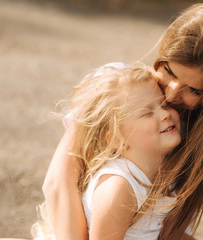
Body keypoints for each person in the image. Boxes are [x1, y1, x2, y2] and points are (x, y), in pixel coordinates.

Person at [43, 3, 203, 240]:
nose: (172, 95)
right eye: (169, 72)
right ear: (162, 55)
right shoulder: (119, 88)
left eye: (194, 90)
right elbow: (59, 182)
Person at [31, 64, 185, 240]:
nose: (164, 114)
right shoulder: (119, 189)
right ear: (116, 140)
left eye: (164, 104)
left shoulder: (165, 176)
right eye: (147, 113)